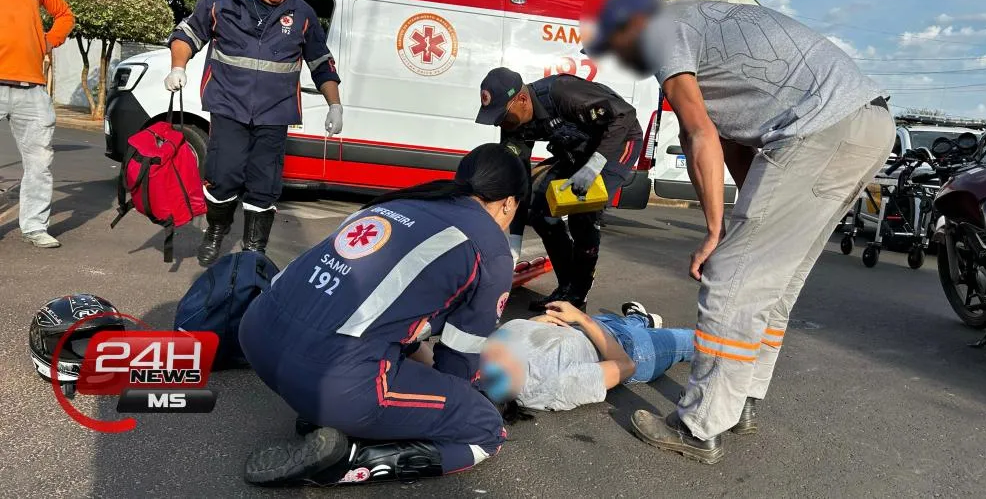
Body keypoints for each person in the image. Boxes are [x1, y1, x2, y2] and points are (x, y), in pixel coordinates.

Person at [583, 0, 895, 463]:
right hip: (869, 125)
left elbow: (699, 132)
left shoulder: (663, 31)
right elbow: (730, 144)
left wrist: (715, 236)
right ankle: (739, 403)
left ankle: (700, 426)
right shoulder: (706, 29)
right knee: (770, 282)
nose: (626, 60)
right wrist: (741, 225)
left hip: (820, 127)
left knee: (731, 280)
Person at [239, 143, 527, 487]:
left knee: (385, 340)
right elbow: (458, 364)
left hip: (258, 338)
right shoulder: (491, 250)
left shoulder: (401, 202)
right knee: (485, 427)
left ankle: (328, 417)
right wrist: (464, 404)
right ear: (509, 202)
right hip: (332, 382)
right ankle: (347, 461)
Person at [165, 0, 343, 266]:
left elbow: (322, 63)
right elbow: (186, 34)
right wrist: (178, 66)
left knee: (265, 187)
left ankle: (253, 251)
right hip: (229, 107)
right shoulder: (220, 1)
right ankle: (217, 229)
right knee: (222, 177)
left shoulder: (302, 15)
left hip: (274, 114)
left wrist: (335, 105)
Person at [476, 67, 644, 311]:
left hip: (618, 143)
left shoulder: (563, 93)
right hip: (577, 150)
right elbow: (518, 180)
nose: (502, 122)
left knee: (582, 214)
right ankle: (566, 285)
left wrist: (594, 166)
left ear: (522, 100)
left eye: (503, 115)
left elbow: (625, 115)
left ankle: (578, 295)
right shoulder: (514, 123)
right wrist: (514, 244)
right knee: (540, 211)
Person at [479, 301, 694, 413]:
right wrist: (580, 317)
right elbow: (625, 366)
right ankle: (643, 325)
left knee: (619, 320)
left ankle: (641, 319)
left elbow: (520, 329)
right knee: (696, 341)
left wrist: (540, 319)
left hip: (590, 327)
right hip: (633, 349)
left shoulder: (494, 350)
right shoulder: (555, 385)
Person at [0, 0, 75, 248]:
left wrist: (49, 40)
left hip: (32, 86)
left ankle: (34, 226)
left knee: (39, 162)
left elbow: (65, 16)